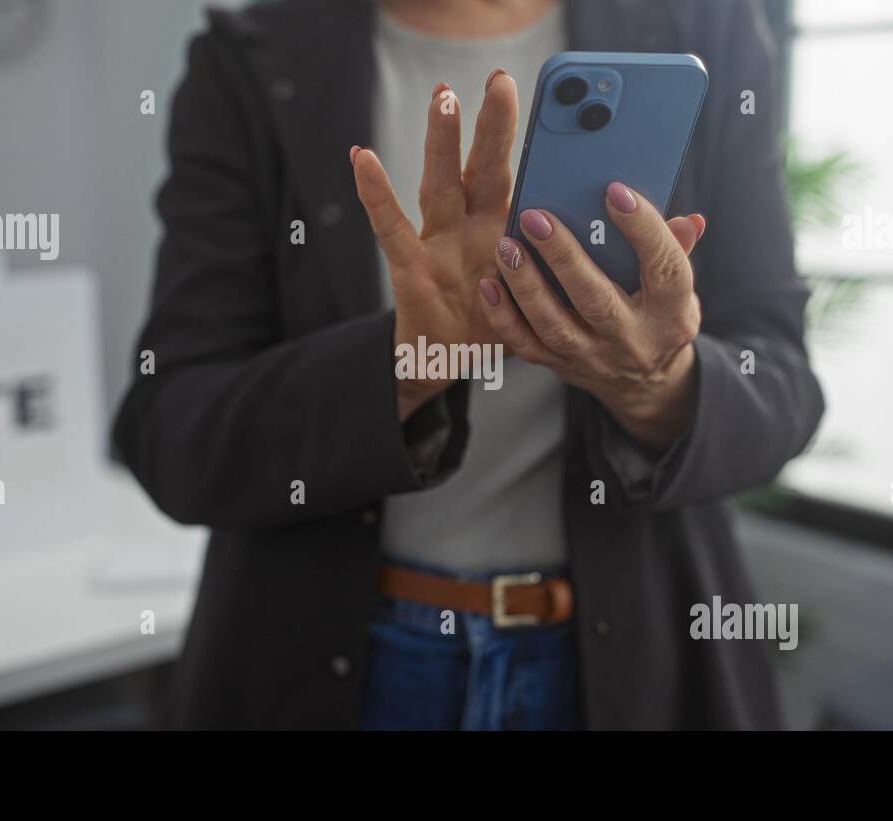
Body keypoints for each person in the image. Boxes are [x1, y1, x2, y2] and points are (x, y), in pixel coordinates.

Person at [112, 0, 824, 730]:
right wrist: (404, 364)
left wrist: (655, 384)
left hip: (632, 659)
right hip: (325, 662)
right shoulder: (250, 58)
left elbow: (784, 386)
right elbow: (173, 429)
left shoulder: (697, 29)